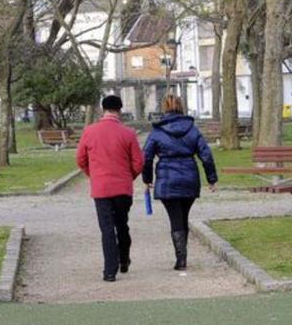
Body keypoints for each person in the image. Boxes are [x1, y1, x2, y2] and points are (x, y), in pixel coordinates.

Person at [141, 95, 218, 270]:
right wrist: (211, 179)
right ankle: (182, 256)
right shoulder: (192, 130)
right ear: (182, 107)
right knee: (183, 217)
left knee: (176, 218)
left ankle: (181, 259)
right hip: (189, 177)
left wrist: (147, 179)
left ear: (164, 108)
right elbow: (206, 155)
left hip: (167, 179)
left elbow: (146, 157)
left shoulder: (158, 132)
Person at [76, 95, 144, 281]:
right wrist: (129, 176)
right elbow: (138, 162)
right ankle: (124, 259)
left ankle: (109, 271)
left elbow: (80, 159)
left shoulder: (90, 131)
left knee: (106, 228)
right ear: (120, 110)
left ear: (102, 109)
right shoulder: (128, 133)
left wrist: (94, 174)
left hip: (101, 188)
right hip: (122, 187)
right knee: (122, 224)